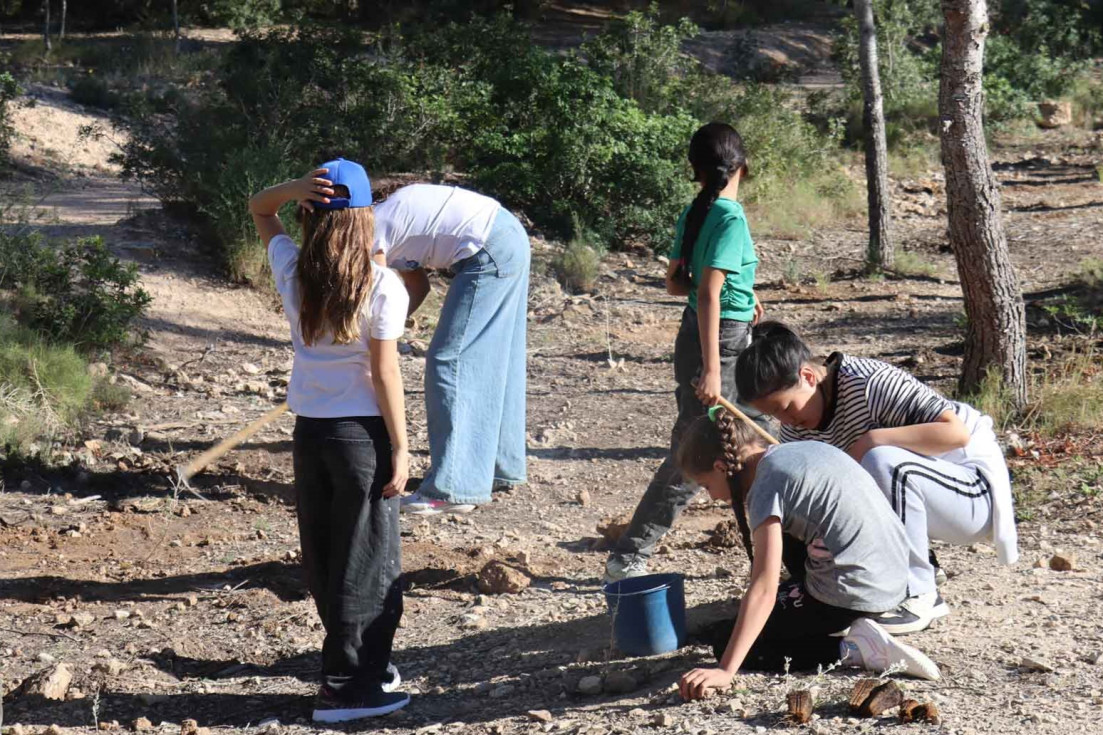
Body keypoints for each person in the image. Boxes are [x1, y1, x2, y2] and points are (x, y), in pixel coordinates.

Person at [250, 159, 411, 722]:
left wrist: (291, 188)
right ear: (365, 218)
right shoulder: (382, 286)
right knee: (368, 561)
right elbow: (385, 374)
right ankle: (347, 689)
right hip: (362, 436)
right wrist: (402, 446)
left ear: (309, 214)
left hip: (311, 434)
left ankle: (363, 669)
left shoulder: (294, 270)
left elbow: (260, 209)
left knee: (326, 556)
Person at [734, 321, 1019, 634]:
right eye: (775, 415)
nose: (786, 421)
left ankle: (920, 593)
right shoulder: (796, 427)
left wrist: (871, 440)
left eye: (787, 407)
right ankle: (896, 575)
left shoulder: (868, 382)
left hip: (973, 495)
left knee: (880, 459)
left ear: (808, 376)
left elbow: (955, 433)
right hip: (925, 500)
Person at [676, 408, 941, 701]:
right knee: (756, 612)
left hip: (860, 592)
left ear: (720, 467)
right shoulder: (793, 451)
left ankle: (856, 648)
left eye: (707, 486)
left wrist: (726, 670)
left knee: (728, 641)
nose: (713, 496)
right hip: (895, 577)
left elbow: (763, 586)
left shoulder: (765, 487)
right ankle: (827, 609)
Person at [604, 122, 771, 583]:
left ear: (696, 170)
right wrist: (714, 369)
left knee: (759, 435)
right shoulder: (730, 218)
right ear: (742, 165)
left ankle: (779, 544)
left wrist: (744, 294)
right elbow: (709, 292)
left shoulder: (699, 210)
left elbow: (679, 284)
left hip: (700, 333)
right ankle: (628, 555)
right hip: (719, 343)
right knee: (698, 449)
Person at [371, 183, 530, 516]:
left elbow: (378, 298)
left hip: (489, 249)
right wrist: (385, 333)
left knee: (450, 360)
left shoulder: (368, 232)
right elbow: (418, 286)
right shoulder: (383, 220)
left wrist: (377, 338)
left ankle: (453, 489)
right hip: (506, 237)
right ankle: (496, 468)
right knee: (495, 360)